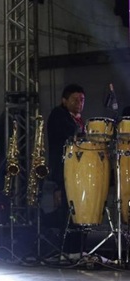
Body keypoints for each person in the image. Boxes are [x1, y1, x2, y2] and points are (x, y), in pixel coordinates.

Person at [46, 84, 86, 231]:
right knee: (65, 207)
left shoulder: (78, 119)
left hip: (75, 168)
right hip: (63, 168)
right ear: (64, 100)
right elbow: (68, 135)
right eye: (75, 100)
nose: (79, 103)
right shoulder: (59, 114)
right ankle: (66, 240)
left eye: (82, 100)